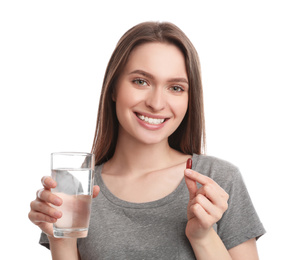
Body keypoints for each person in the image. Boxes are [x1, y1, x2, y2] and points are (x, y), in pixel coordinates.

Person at [29, 21, 265, 260]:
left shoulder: (219, 180)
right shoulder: (77, 189)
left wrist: (203, 237)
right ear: (113, 88)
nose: (156, 103)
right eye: (141, 81)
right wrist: (60, 238)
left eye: (175, 87)